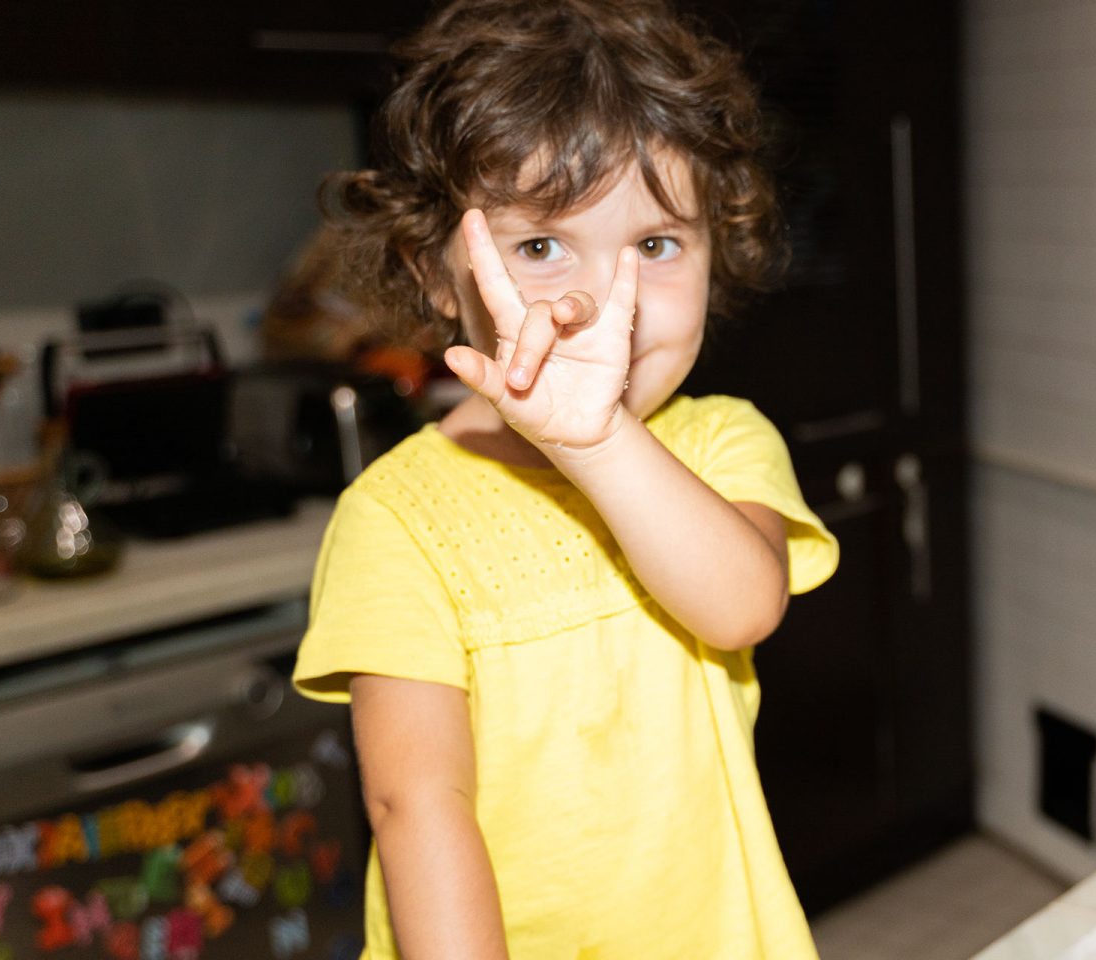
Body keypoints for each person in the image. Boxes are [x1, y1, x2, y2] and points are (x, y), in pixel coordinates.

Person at [289, 1, 840, 957]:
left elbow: (742, 606)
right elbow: (418, 805)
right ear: (436, 274)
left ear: (717, 253)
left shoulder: (718, 446)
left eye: (657, 246)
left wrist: (596, 442)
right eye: (541, 247)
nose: (605, 305)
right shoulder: (396, 517)